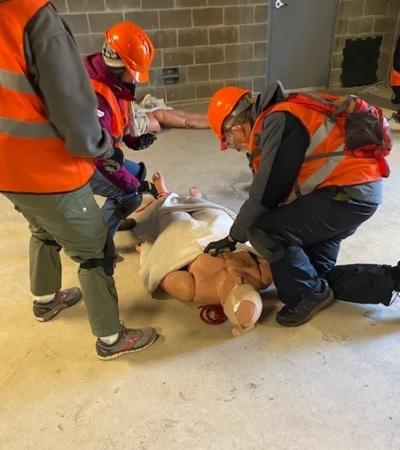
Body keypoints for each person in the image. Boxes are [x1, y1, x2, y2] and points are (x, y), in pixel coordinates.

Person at [0, 0, 157, 360]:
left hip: (7, 170)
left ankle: (45, 301)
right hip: (48, 169)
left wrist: (129, 141)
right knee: (94, 253)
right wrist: (110, 155)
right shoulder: (33, 17)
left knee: (43, 230)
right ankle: (112, 339)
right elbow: (77, 116)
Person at [204, 83, 389, 327]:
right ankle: (392, 281)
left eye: (228, 139)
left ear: (235, 125)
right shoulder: (280, 117)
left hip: (346, 196)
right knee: (311, 273)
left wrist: (233, 237)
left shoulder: (279, 119)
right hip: (348, 196)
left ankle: (306, 295)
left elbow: (266, 194)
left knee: (264, 230)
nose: (233, 146)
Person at [131, 172, 272, 336]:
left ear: (225, 301)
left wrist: (147, 251)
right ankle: (200, 201)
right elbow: (265, 247)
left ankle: (163, 193)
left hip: (190, 242)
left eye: (236, 288)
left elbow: (160, 268)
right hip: (222, 234)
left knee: (172, 216)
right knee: (216, 213)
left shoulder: (192, 290)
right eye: (247, 285)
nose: (240, 278)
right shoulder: (264, 277)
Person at [84, 21, 158, 236]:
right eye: (133, 71)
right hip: (77, 161)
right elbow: (101, 157)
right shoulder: (95, 97)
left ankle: (111, 218)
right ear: (119, 66)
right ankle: (98, 242)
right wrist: (135, 186)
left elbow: (116, 118)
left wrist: (132, 139)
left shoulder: (111, 80)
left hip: (98, 151)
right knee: (130, 195)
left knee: (136, 173)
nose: (136, 77)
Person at [132, 94, 209, 135]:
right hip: (141, 122)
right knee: (159, 114)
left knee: (179, 113)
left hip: (138, 117)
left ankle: (206, 117)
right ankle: (212, 122)